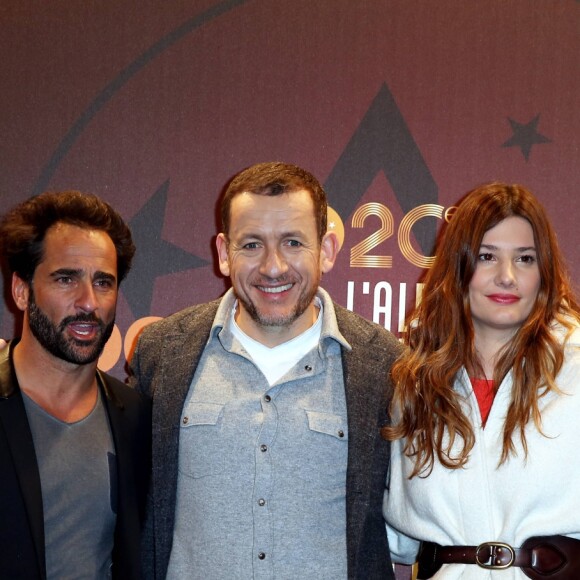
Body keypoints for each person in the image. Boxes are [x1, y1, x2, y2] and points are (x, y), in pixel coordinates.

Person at [130, 161, 402, 579]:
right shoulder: (163, 352)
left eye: (293, 243)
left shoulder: (384, 365)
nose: (273, 267)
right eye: (252, 245)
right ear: (223, 253)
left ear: (326, 251)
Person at [383, 182, 580, 579]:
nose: (507, 277)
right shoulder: (415, 383)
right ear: (459, 266)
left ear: (544, 271)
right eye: (487, 257)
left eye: (525, 258)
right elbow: (396, 538)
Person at [0, 191, 151, 579]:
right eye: (66, 278)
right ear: (21, 290)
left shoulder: (134, 418)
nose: (88, 302)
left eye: (104, 282)